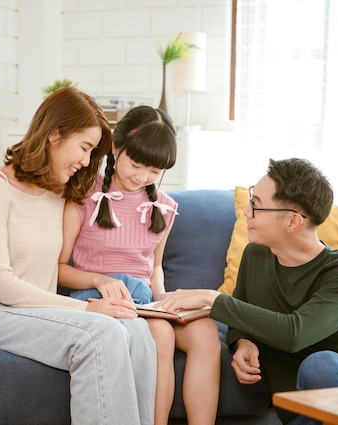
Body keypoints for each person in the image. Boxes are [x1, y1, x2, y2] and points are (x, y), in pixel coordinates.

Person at [0, 87, 156, 425]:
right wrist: (88, 308)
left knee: (138, 332)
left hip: (33, 312)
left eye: (93, 153)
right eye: (85, 148)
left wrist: (102, 282)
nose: (86, 162)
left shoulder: (60, 192)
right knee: (100, 333)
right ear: (54, 133)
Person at [156, 158, 338, 425]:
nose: (246, 211)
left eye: (256, 205)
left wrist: (214, 299)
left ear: (292, 221)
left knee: (321, 366)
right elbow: (241, 315)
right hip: (302, 417)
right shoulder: (256, 255)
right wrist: (243, 342)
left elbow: (294, 333)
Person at [58, 105, 221, 425]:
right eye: (136, 164)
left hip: (142, 299)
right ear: (116, 147)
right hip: (96, 295)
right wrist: (100, 280)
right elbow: (59, 267)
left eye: (154, 171)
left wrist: (163, 298)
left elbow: (153, 267)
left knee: (205, 331)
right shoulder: (83, 195)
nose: (142, 177)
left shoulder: (166, 207)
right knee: (161, 333)